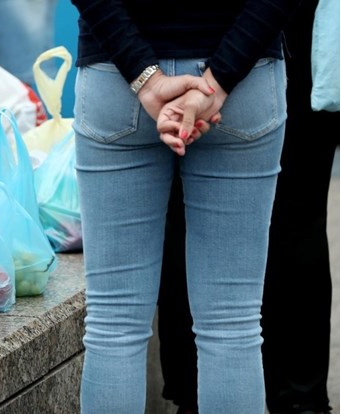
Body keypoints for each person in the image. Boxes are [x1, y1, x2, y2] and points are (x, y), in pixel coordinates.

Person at [70, 0, 298, 412]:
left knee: (113, 325)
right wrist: (220, 79)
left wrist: (147, 79)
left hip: (115, 76)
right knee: (233, 326)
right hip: (243, 81)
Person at [157, 0, 340, 412]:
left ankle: (197, 391)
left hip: (206, 30)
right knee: (299, 212)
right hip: (287, 25)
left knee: (186, 204)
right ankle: (296, 396)